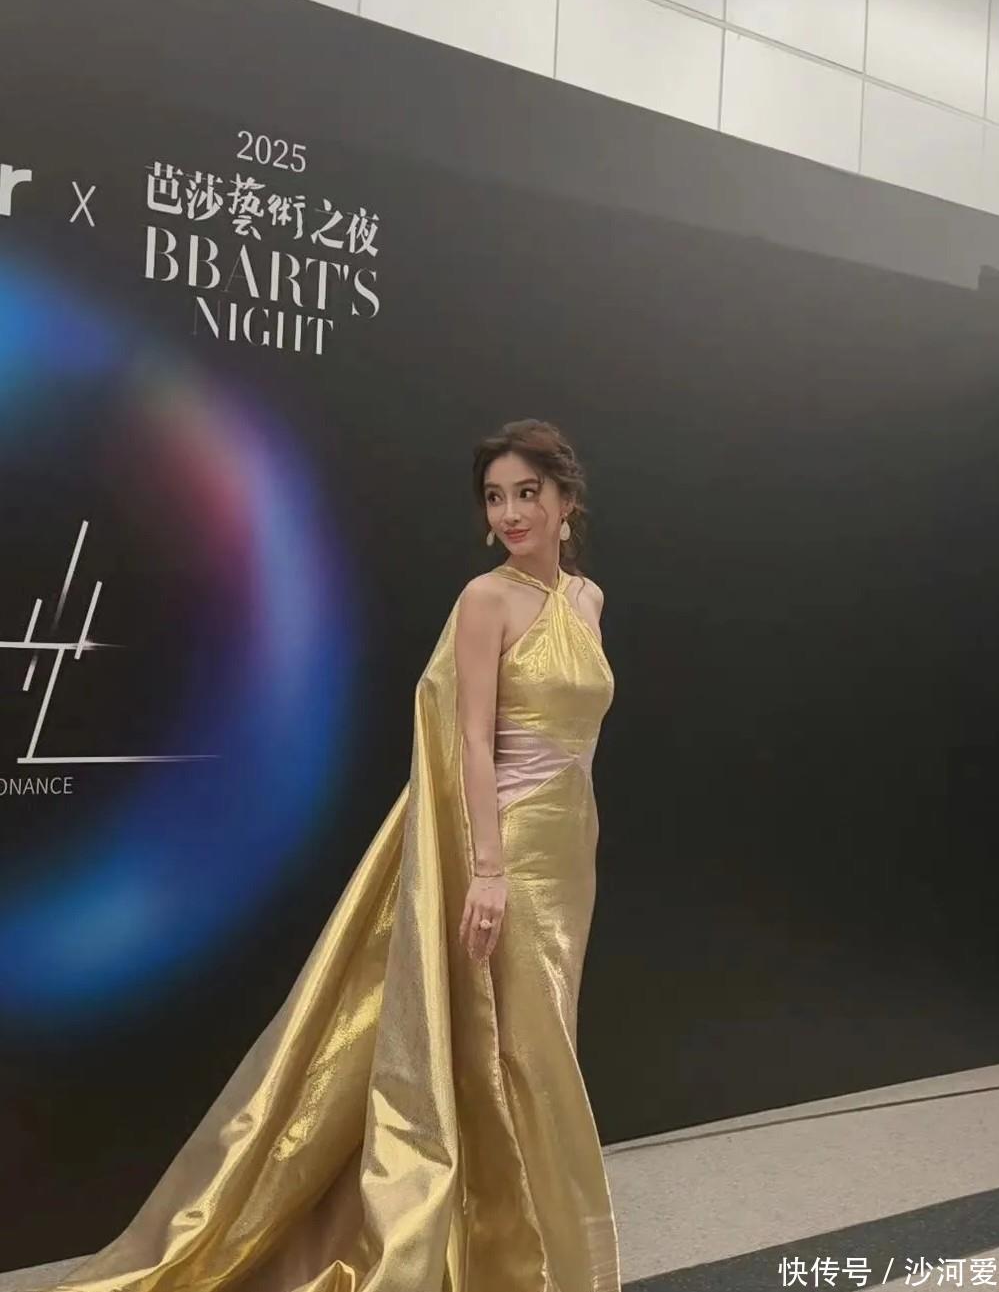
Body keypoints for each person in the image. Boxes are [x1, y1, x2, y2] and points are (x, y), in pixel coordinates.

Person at [45, 417, 620, 1292]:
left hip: (567, 851)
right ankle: (529, 1262)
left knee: (535, 1043)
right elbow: (470, 740)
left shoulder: (587, 600)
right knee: (514, 1050)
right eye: (495, 496)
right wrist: (487, 870)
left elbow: (579, 736)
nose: (508, 512)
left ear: (566, 500)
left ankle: (508, 1244)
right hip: (500, 846)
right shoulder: (485, 600)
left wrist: (576, 833)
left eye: (526, 493)